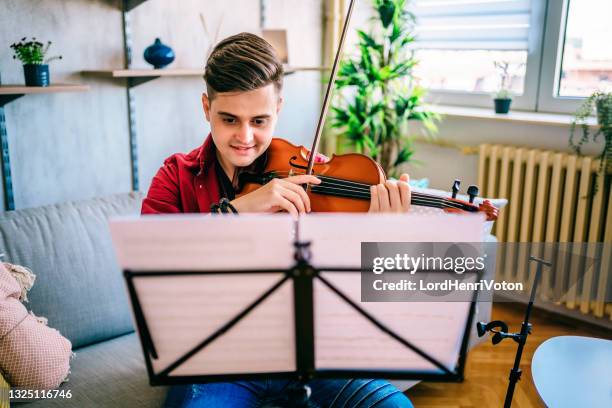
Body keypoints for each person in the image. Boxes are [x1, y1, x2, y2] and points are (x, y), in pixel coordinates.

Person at [143, 32, 414, 408]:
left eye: (259, 119)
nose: (245, 136)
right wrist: (239, 210)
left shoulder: (311, 175)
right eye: (229, 119)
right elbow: (151, 263)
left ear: (279, 109)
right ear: (206, 108)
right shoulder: (175, 176)